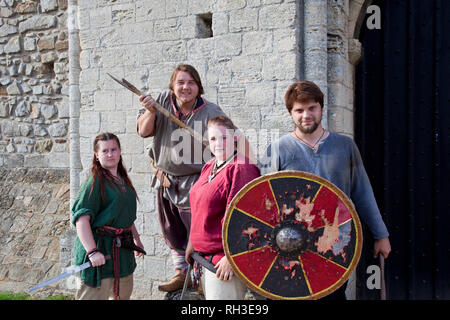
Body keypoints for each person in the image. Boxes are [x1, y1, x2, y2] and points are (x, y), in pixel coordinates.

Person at [260, 80, 391, 300]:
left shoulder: (345, 146)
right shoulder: (276, 150)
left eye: (312, 108)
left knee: (333, 297)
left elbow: (362, 192)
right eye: (299, 110)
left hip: (335, 245)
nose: (306, 115)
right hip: (290, 247)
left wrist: (381, 235)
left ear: (321, 108)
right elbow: (263, 202)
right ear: (291, 113)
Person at [136, 64, 229, 292]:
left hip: (196, 181)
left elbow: (228, 142)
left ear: (198, 87)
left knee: (197, 233)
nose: (185, 87)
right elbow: (143, 131)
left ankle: (201, 279)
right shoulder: (160, 101)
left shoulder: (211, 112)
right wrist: (151, 111)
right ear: (173, 86)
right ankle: (181, 272)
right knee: (172, 229)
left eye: (191, 83)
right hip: (165, 179)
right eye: (180, 82)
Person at [186, 116, 260, 300]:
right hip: (203, 257)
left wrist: (231, 257)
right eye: (213, 139)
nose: (218, 143)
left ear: (235, 137)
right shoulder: (209, 166)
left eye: (224, 138)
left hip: (224, 262)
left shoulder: (242, 168)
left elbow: (245, 217)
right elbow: (199, 209)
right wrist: (192, 242)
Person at [71, 132, 145, 300]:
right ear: (97, 155)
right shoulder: (95, 181)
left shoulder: (123, 180)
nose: (110, 154)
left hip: (122, 253)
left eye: (114, 149)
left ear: (120, 151)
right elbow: (81, 219)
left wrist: (136, 239)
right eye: (105, 151)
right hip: (100, 251)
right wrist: (92, 252)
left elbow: (125, 216)